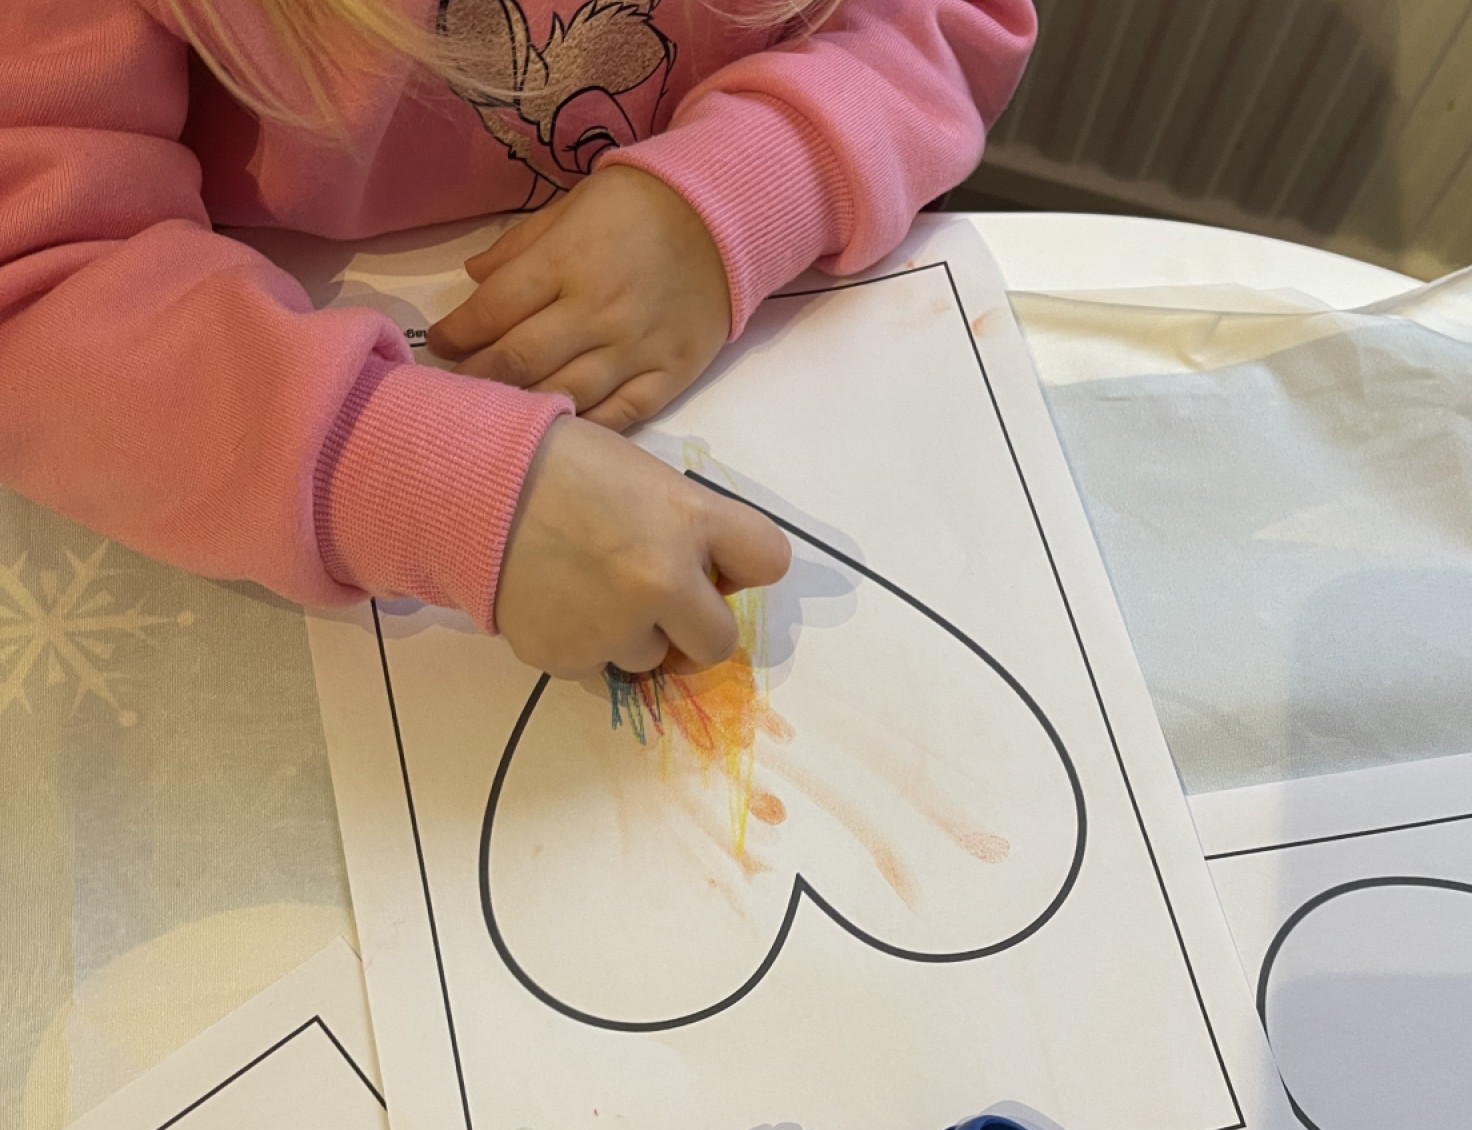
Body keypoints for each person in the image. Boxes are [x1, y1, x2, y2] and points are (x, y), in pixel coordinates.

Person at [0, 0, 1035, 677]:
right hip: (244, 423)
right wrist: (406, 473)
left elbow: (948, 21)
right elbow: (36, 277)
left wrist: (764, 176)